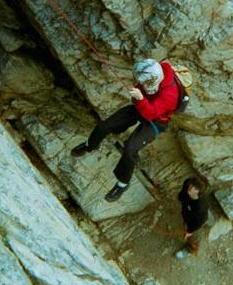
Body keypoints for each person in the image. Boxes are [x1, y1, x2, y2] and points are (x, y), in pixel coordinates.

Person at [72, 59, 181, 202]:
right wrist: (138, 97)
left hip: (156, 121)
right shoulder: (149, 77)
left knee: (130, 149)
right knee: (105, 126)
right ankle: (89, 145)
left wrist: (140, 99)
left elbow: (151, 113)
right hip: (142, 107)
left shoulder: (170, 95)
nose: (143, 85)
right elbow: (140, 97)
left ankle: (122, 184)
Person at [176, 175, 211, 258]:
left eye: (195, 188)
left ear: (199, 192)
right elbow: (183, 193)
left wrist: (189, 231)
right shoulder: (188, 183)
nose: (190, 188)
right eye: (191, 184)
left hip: (195, 219)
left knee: (187, 234)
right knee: (186, 221)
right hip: (187, 211)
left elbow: (200, 222)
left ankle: (192, 248)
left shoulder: (201, 206)